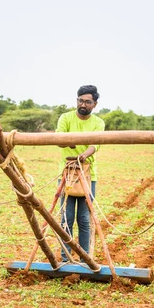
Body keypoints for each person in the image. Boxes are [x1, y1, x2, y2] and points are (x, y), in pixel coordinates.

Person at [56, 85, 105, 262]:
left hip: (88, 174)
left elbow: (96, 144)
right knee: (66, 218)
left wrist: (83, 155)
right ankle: (65, 258)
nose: (83, 104)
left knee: (84, 219)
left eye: (87, 102)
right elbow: (59, 138)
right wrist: (70, 144)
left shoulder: (98, 123)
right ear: (77, 100)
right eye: (80, 100)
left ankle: (85, 259)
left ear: (95, 104)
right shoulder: (65, 117)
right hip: (67, 174)